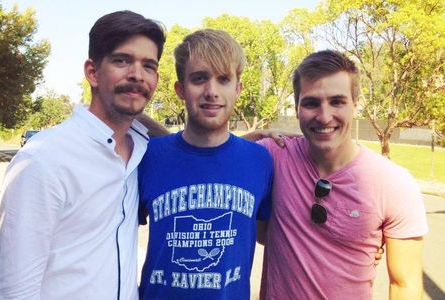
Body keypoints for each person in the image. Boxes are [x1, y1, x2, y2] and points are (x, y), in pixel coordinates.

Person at [0, 10, 166, 299]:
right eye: (122, 60)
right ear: (92, 72)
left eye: (148, 65)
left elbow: (189, 149)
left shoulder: (143, 150)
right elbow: (15, 291)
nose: (137, 74)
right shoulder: (43, 160)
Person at [258, 50, 428, 299]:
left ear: (355, 104)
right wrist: (247, 141)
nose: (324, 116)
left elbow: (406, 285)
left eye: (337, 101)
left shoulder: (394, 184)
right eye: (311, 103)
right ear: (296, 108)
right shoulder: (272, 156)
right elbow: (217, 167)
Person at [137, 29, 273, 299]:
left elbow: (268, 237)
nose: (211, 91)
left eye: (223, 79)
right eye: (199, 79)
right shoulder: (147, 157)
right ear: (180, 89)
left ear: (238, 88)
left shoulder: (260, 160)